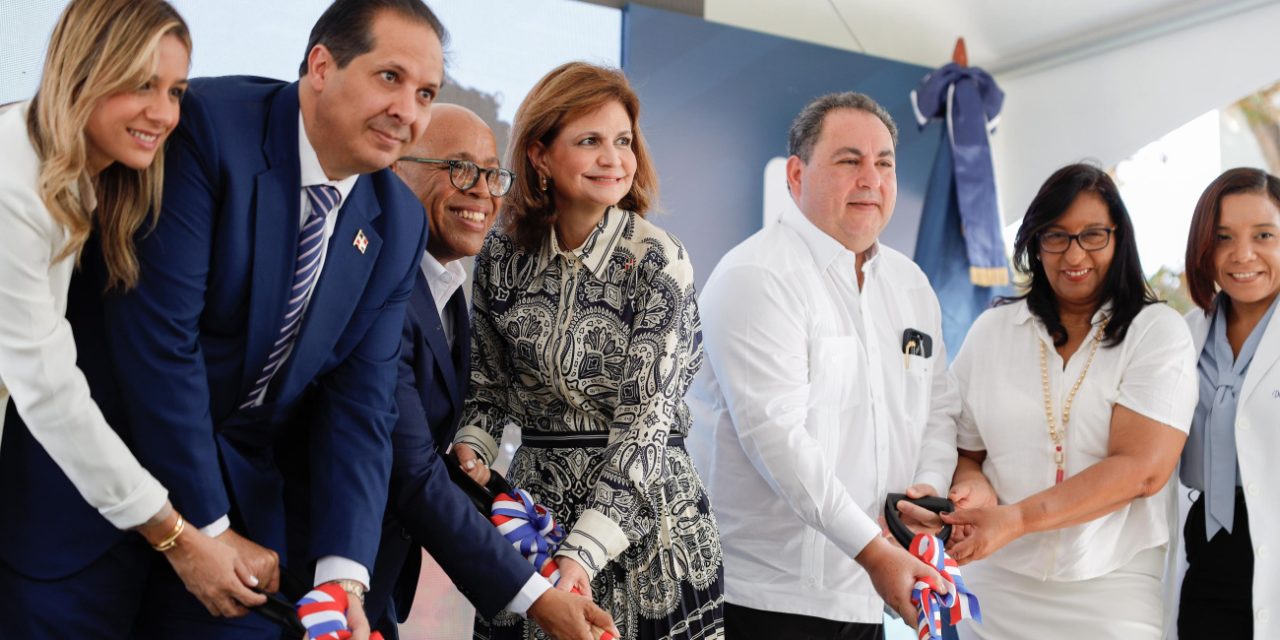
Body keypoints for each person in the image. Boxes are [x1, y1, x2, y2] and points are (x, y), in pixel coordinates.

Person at [3, 1, 442, 638]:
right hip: (85, 502)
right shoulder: (206, 128)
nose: (408, 109)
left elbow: (364, 406)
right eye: (389, 77)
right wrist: (196, 534)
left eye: (426, 92)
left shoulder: (399, 224)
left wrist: (342, 572)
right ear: (321, 66)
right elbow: (154, 346)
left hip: (234, 520)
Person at [0, 0, 267, 634]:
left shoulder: (84, 180)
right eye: (140, 84)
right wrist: (177, 534)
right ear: (83, 70)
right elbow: (51, 395)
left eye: (175, 91)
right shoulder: (13, 184)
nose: (164, 113)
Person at [452, 61, 725, 640]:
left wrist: (581, 556)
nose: (614, 159)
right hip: (532, 522)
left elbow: (645, 426)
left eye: (623, 141)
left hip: (647, 528)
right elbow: (488, 387)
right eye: (590, 141)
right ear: (539, 155)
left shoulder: (659, 261)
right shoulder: (500, 254)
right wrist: (472, 451)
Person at [685, 91, 956, 640]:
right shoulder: (757, 276)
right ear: (795, 174)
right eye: (848, 160)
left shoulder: (911, 285)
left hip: (863, 597)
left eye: (884, 163)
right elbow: (777, 439)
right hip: (762, 599)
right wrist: (876, 553)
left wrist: (925, 492)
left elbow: (939, 409)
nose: (871, 179)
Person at [369, 103, 616, 640]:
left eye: (491, 172)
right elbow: (412, 473)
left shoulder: (449, 284)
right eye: (458, 168)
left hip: (378, 578)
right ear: (394, 168)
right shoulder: (379, 287)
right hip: (319, 583)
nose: (482, 190)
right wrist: (538, 599)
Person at [941, 164, 1197, 640]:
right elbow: (965, 451)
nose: (1073, 254)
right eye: (1055, 236)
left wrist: (1014, 519)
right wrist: (972, 485)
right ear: (1035, 244)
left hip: (1112, 588)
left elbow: (1142, 469)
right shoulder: (992, 332)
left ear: (1119, 238)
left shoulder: (1157, 333)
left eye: (1092, 235)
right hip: (997, 588)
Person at [1177, 167, 1280, 638]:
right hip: (1207, 550)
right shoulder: (1182, 335)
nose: (1243, 255)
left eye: (1264, 235)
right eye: (1223, 238)